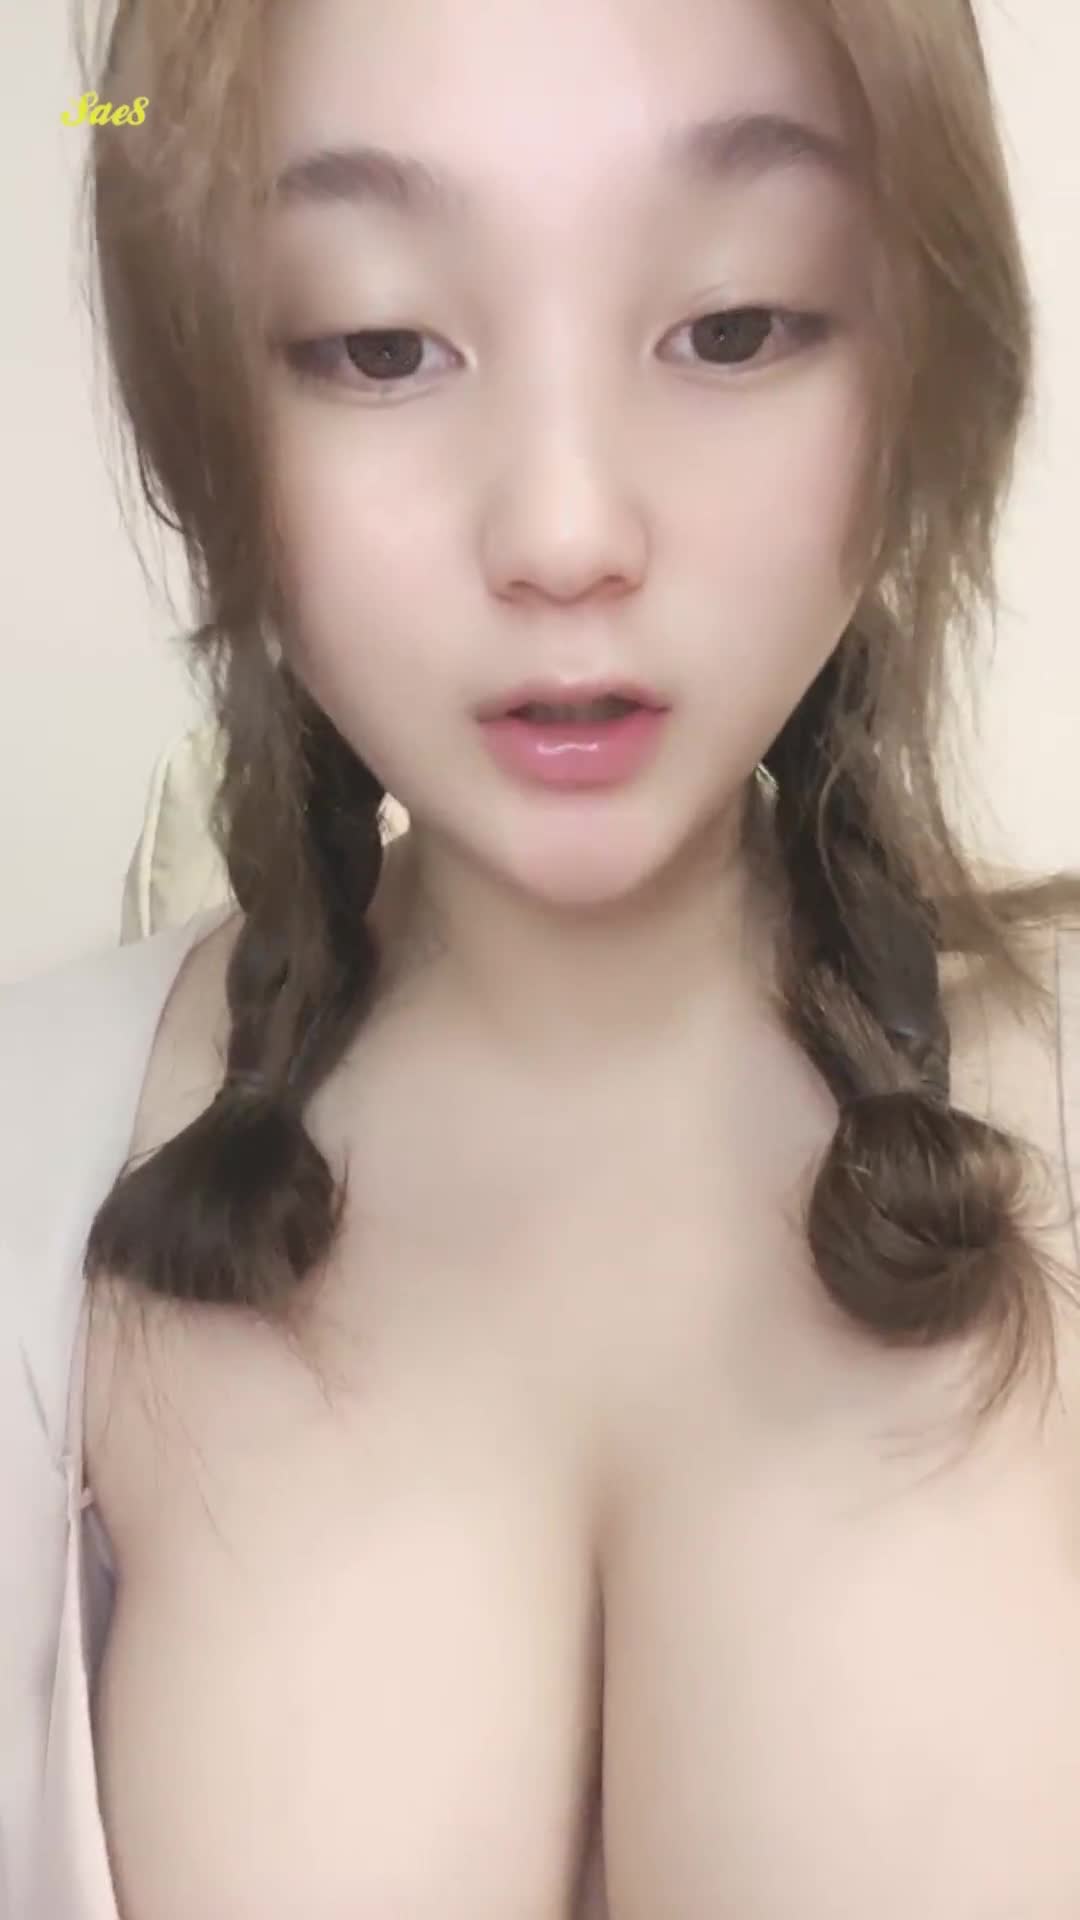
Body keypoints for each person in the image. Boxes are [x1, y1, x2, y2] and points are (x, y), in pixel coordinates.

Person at [4, 0, 1080, 1912]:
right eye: (379, 345)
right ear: (201, 401)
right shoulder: (33, 1169)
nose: (567, 530)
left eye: (734, 326)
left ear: (921, 354)